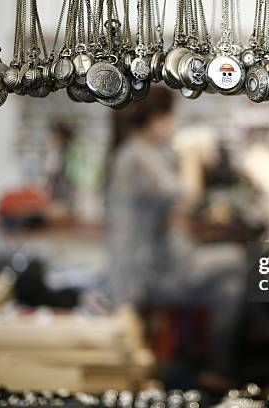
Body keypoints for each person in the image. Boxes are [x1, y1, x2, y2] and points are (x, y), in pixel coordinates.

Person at [104, 86, 246, 388]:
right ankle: (213, 369)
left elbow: (174, 209)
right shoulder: (138, 158)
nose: (175, 123)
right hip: (152, 275)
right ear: (157, 118)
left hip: (163, 264)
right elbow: (188, 197)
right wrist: (192, 153)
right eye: (172, 116)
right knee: (237, 259)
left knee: (230, 288)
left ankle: (216, 370)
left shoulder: (141, 153)